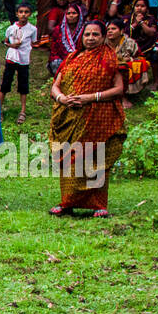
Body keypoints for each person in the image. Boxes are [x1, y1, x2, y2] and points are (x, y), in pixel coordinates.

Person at [48, 20, 125, 219]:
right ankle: (67, 203)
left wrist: (91, 97)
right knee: (69, 159)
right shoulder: (72, 57)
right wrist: (62, 98)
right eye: (87, 35)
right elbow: (55, 86)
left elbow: (119, 88)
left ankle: (98, 204)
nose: (90, 38)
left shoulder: (109, 58)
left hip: (98, 117)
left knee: (96, 158)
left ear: (103, 37)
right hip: (70, 117)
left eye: (95, 35)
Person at [1, 3, 38, 123]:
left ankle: (22, 111)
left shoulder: (32, 29)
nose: (23, 14)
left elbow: (33, 43)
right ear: (17, 14)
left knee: (23, 85)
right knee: (5, 83)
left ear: (30, 14)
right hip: (11, 58)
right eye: (21, 12)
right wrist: (12, 45)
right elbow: (5, 42)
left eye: (26, 12)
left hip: (24, 60)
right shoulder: (11, 28)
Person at [106, 16, 150, 107]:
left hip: (124, 66)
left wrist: (128, 60)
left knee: (124, 67)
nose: (110, 31)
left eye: (113, 29)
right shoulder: (103, 42)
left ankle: (124, 97)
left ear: (121, 31)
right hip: (107, 65)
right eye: (108, 29)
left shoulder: (129, 42)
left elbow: (140, 57)